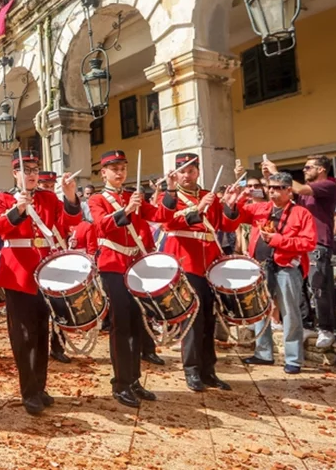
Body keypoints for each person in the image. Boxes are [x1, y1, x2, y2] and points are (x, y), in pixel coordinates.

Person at [0, 149, 82, 415]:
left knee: (43, 331)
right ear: (15, 173)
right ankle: (29, 391)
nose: (32, 175)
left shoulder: (48, 198)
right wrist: (18, 209)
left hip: (45, 272)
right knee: (23, 335)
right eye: (26, 170)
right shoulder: (4, 198)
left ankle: (40, 387)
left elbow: (70, 222)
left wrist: (70, 196)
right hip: (17, 272)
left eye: (35, 170)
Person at [86, 150, 162, 407]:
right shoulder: (97, 198)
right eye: (114, 169)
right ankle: (120, 383)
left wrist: (170, 191)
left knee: (137, 323)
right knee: (121, 326)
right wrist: (127, 209)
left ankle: (134, 379)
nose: (119, 173)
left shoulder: (133, 196)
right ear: (104, 173)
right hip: (113, 266)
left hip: (136, 265)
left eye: (122, 168)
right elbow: (101, 226)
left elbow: (158, 216)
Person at [225, 172, 316, 373]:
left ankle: (293, 359)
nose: (272, 191)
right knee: (260, 310)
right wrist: (236, 200)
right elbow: (235, 218)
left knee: (289, 312)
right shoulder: (261, 208)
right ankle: (263, 353)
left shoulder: (301, 213)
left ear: (289, 190)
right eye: (270, 187)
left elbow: (309, 243)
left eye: (277, 188)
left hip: (287, 266)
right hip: (261, 266)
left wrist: (277, 240)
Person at [157, 152, 230, 393]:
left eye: (191, 171)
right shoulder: (169, 197)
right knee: (193, 319)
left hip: (209, 262)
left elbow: (222, 225)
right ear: (175, 174)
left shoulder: (209, 195)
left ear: (198, 171)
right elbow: (168, 223)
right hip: (185, 262)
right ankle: (192, 369)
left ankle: (209, 370)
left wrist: (230, 204)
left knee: (210, 318)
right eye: (182, 171)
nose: (186, 176)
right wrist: (198, 208)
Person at [263, 154, 336, 349]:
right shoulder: (304, 191)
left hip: (318, 242)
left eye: (308, 167)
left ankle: (326, 328)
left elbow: (299, 189)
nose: (304, 170)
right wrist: (270, 179)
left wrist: (277, 172)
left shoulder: (328, 185)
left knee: (318, 287)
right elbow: (284, 195)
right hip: (299, 243)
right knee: (301, 286)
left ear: (321, 169)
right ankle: (306, 324)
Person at [37, 170, 72, 364]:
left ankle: (58, 347)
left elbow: (70, 223)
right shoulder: (35, 204)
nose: (49, 190)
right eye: (45, 186)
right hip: (40, 259)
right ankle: (40, 347)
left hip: (58, 258)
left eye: (52, 186)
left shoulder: (58, 205)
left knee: (61, 307)